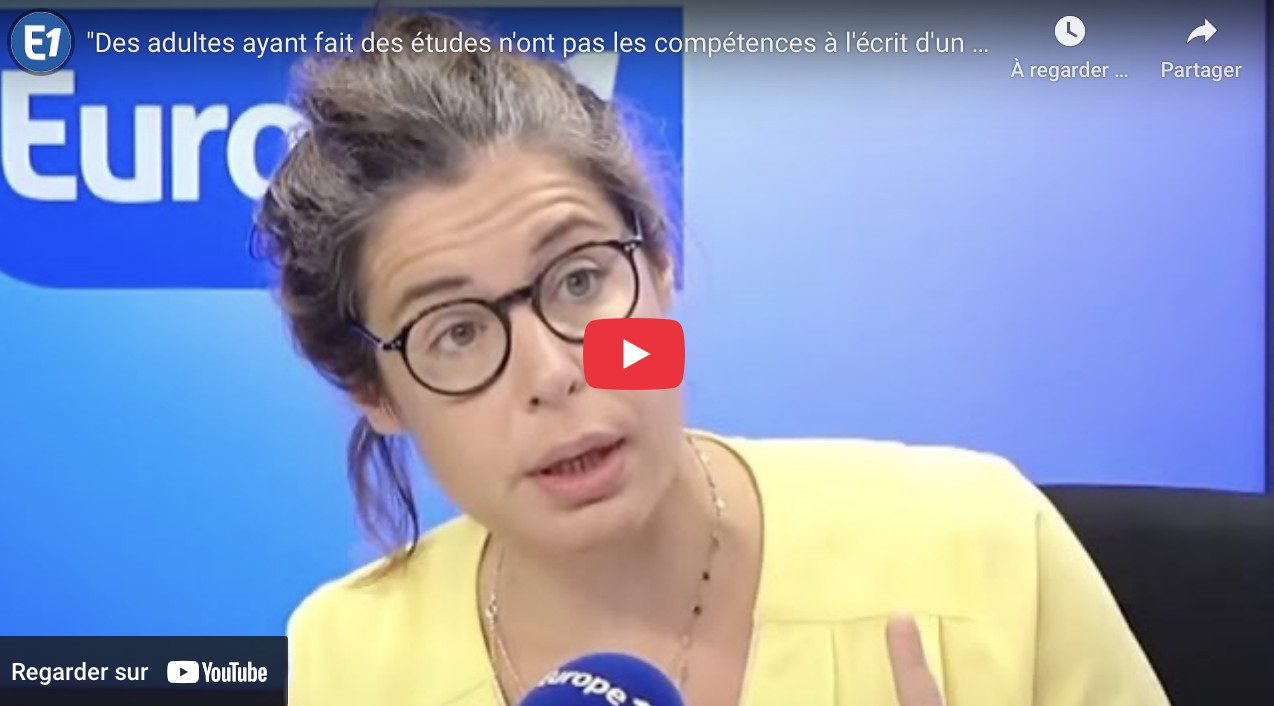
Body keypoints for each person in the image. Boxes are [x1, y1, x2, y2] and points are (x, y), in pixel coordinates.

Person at [258, 11, 1169, 706]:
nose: (553, 373)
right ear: (374, 391)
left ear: (661, 268)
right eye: (456, 331)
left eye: (579, 280)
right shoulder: (344, 662)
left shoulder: (986, 552)